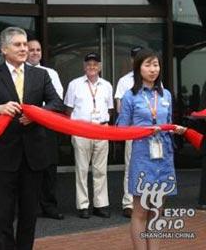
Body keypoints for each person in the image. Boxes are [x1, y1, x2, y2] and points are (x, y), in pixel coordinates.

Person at [0, 27, 64, 250]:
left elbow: (56, 104)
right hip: (3, 156)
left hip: (33, 156)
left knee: (29, 213)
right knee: (3, 214)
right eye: (18, 45)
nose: (24, 49)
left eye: (25, 44)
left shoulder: (41, 74)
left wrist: (35, 114)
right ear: (4, 49)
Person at [117, 49, 187, 250]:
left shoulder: (165, 94)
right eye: (147, 65)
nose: (152, 69)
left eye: (155, 64)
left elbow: (167, 122)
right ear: (138, 68)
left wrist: (175, 129)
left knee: (157, 211)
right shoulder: (130, 96)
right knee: (140, 212)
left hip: (164, 159)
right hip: (142, 158)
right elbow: (122, 129)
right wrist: (144, 130)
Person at [64, 52, 113, 219]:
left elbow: (110, 109)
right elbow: (68, 109)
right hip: (81, 130)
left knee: (101, 170)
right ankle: (83, 205)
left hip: (101, 129)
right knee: (82, 169)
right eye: (88, 63)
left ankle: (100, 205)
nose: (92, 66)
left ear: (100, 66)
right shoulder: (74, 84)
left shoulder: (107, 85)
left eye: (95, 64)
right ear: (84, 66)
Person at [26, 39, 64, 220]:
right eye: (31, 49)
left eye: (38, 50)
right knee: (28, 168)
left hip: (47, 124)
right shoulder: (20, 73)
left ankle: (49, 206)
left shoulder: (51, 73)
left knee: (49, 168)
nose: (34, 53)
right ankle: (29, 208)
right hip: (25, 124)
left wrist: (38, 111)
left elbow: (56, 100)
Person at [114, 46, 143, 218]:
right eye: (134, 57)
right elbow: (119, 107)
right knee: (130, 167)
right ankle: (128, 203)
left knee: (150, 167)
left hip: (150, 132)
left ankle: (147, 201)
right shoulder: (125, 81)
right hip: (132, 130)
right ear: (132, 60)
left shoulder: (156, 80)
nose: (137, 59)